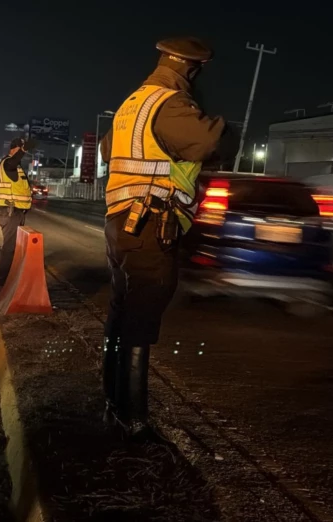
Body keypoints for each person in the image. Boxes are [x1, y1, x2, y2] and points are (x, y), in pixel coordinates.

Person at [99, 37, 228, 442]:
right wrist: (227, 129)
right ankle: (133, 422)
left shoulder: (132, 103)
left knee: (123, 312)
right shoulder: (170, 103)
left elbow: (107, 150)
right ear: (192, 69)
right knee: (142, 317)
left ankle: (114, 405)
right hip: (150, 223)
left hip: (121, 224)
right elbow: (208, 143)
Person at [0, 137, 34, 286]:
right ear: (14, 149)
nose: (23, 152)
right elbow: (13, 162)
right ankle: (4, 280)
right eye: (20, 148)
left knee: (15, 247)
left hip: (17, 212)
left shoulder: (17, 167)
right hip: (10, 211)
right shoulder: (7, 163)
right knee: (9, 247)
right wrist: (23, 151)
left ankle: (9, 278)